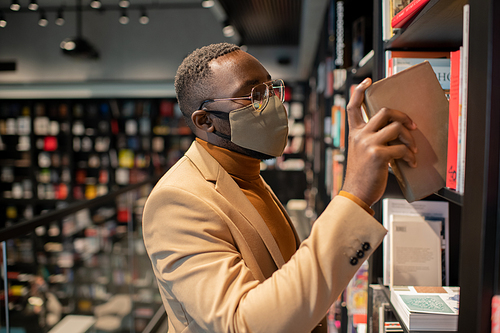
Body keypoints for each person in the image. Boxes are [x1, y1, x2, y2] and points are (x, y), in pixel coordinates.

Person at [142, 42, 417, 333]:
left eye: (271, 89)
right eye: (254, 95)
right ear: (206, 121)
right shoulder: (176, 200)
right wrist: (355, 196)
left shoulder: (245, 171)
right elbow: (242, 323)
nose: (274, 104)